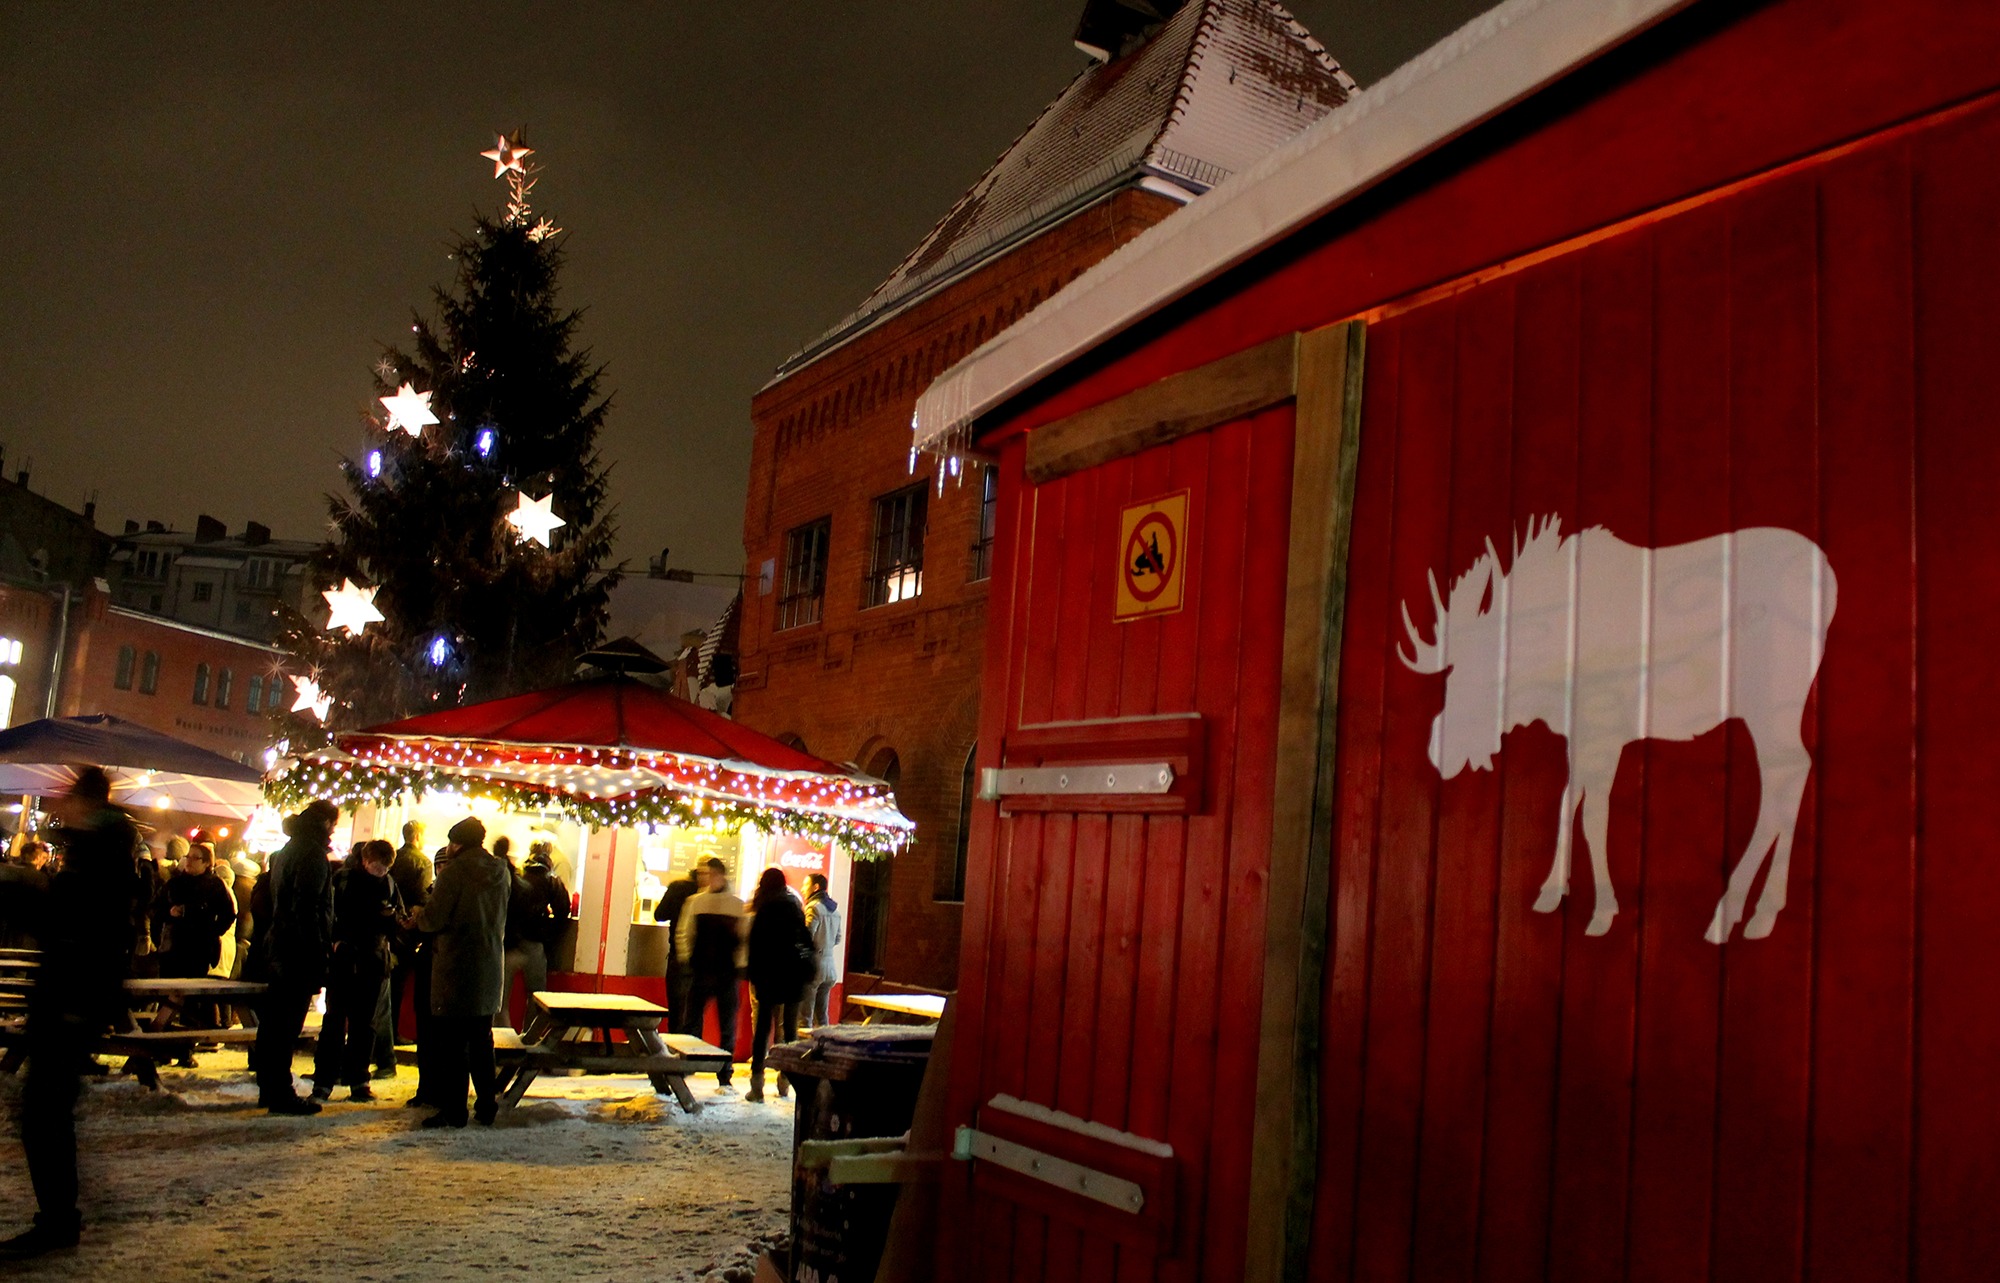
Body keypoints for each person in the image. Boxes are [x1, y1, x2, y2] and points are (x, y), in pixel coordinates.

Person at [1, 767, 143, 1259]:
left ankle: (59, 1222)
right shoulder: (99, 851)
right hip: (71, 993)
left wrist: (17, 890)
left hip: (73, 997)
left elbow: (72, 922)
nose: (62, 807)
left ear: (86, 803)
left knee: (44, 1112)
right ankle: (59, 1217)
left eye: (68, 800)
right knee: (45, 1111)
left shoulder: (99, 856)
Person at [414, 816, 511, 1127]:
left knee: (453, 1044)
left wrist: (418, 916)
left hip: (456, 966)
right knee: (482, 1041)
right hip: (489, 964)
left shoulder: (453, 873)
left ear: (457, 844)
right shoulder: (501, 871)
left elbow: (435, 919)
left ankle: (455, 1109)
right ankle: (486, 1105)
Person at [253, 800, 339, 1116]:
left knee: (274, 1023)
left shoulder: (290, 848)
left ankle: (269, 1086)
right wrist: (318, 951)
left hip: (279, 946)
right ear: (327, 823)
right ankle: (280, 1092)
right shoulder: (312, 854)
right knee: (286, 1024)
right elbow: (308, 907)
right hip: (297, 951)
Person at [312, 840, 402, 1102]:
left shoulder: (389, 884)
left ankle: (358, 1080)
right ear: (365, 860)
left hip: (372, 961)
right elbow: (329, 914)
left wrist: (393, 920)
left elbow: (395, 919)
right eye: (377, 864)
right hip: (347, 959)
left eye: (385, 866)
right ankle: (326, 1080)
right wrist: (337, 942)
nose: (380, 870)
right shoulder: (344, 880)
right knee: (335, 1021)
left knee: (364, 1024)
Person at [152, 837, 236, 1063]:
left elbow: (228, 914)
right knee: (168, 999)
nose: (189, 862)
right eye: (187, 857)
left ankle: (185, 1049)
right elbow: (157, 909)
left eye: (195, 858)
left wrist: (212, 930)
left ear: (207, 863)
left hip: (197, 949)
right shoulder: (175, 883)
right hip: (172, 947)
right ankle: (162, 1049)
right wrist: (169, 913)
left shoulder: (215, 886)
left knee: (190, 1003)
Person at [676, 857, 746, 1092]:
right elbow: (685, 934)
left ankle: (721, 1071)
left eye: (709, 873)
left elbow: (685, 933)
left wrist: (688, 959)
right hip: (713, 971)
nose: (705, 878)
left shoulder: (701, 903)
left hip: (716, 972)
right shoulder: (729, 904)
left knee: (703, 1022)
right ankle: (700, 1068)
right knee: (710, 1023)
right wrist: (688, 960)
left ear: (720, 875)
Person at [744, 868, 815, 1103]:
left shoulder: (764, 908)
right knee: (790, 1031)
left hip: (769, 976)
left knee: (763, 1029)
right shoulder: (794, 907)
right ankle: (786, 1081)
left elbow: (755, 945)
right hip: (793, 977)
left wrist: (753, 973)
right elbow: (806, 941)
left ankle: (757, 1084)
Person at [378, 820, 434, 1083]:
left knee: (389, 985)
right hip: (409, 929)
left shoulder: (394, 858)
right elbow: (423, 896)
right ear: (419, 835)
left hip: (390, 926)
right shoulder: (423, 862)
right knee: (402, 984)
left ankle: (383, 1037)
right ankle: (394, 1034)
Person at [497, 843, 571, 1028]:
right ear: (549, 858)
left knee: (501, 999)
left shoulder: (517, 875)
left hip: (509, 943)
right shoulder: (551, 878)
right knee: (536, 996)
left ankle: (501, 1038)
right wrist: (548, 932)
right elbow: (563, 910)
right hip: (534, 944)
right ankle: (528, 1038)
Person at [651, 863, 701, 1033]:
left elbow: (659, 915)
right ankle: (693, 1053)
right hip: (702, 962)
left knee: (676, 1009)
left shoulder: (677, 888)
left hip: (678, 956)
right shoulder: (708, 894)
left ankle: (674, 1048)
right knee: (695, 1014)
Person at [800, 873, 843, 1029]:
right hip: (830, 966)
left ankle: (803, 1051)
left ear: (815, 887)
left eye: (806, 885)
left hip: (814, 966)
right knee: (822, 1017)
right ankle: (823, 1049)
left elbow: (807, 935)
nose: (802, 889)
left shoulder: (813, 908)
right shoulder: (835, 911)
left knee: (805, 1018)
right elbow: (838, 939)